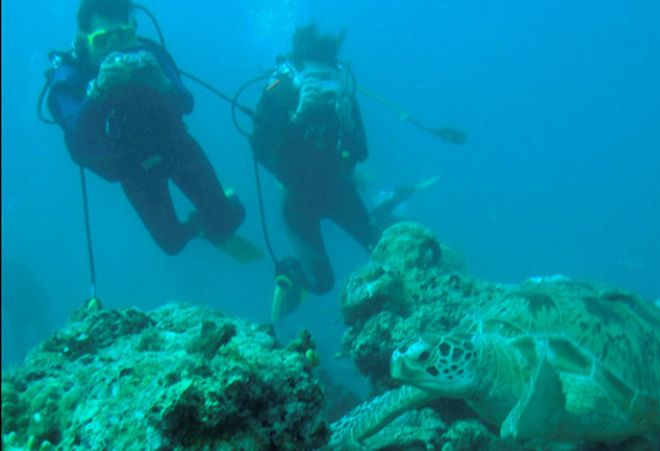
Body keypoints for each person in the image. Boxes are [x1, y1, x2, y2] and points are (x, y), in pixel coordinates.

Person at [46, 0, 244, 255]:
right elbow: (77, 146)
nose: (115, 47)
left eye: (124, 35)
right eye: (102, 40)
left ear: (133, 30)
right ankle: (200, 224)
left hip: (173, 145)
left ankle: (219, 214)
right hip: (131, 167)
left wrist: (163, 85)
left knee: (230, 220)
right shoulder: (69, 80)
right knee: (171, 244)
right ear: (84, 40)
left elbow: (187, 103)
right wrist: (97, 93)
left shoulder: (148, 55)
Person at [251, 24, 412, 319]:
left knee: (383, 251)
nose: (322, 86)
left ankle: (384, 214)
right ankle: (291, 273)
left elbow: (359, 154)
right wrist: (298, 117)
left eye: (328, 78)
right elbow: (260, 149)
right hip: (297, 200)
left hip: (338, 189)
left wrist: (347, 123)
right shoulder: (279, 96)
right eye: (313, 78)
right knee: (322, 283)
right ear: (298, 75)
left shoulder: (344, 101)